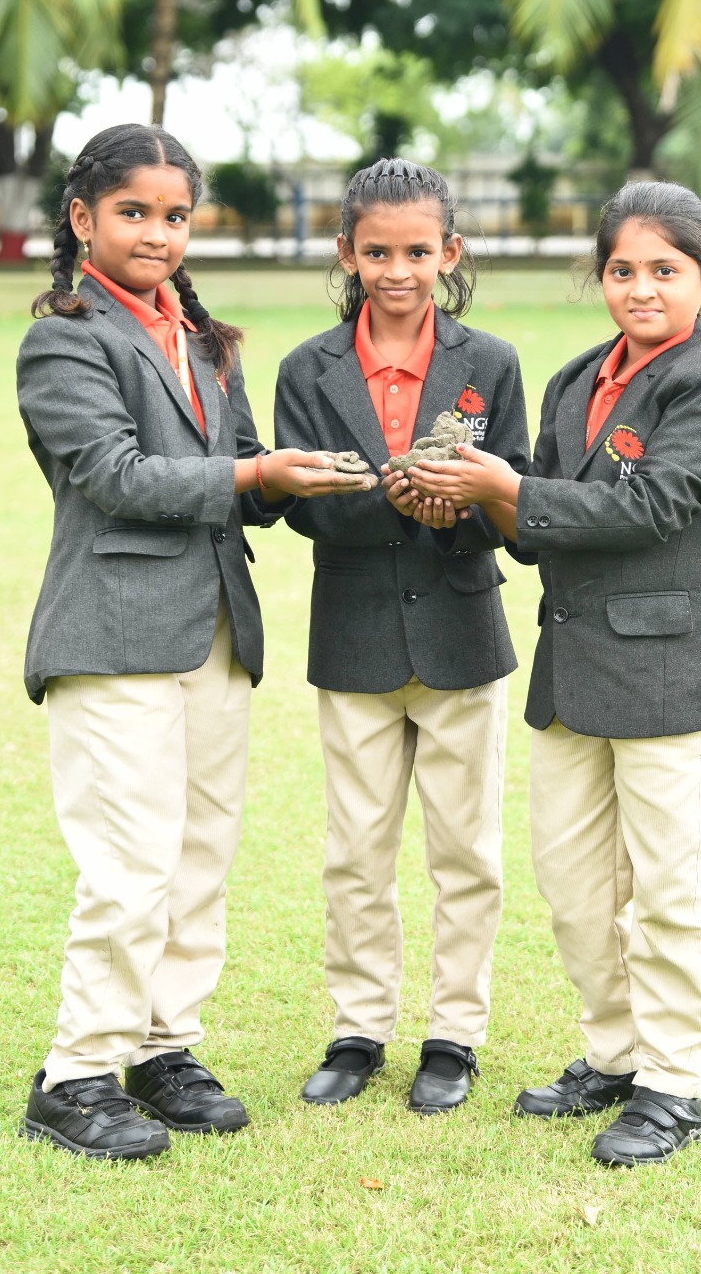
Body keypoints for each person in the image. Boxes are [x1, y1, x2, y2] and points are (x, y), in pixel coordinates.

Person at [16, 123, 370, 1160]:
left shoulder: (207, 341)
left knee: (198, 855)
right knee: (129, 863)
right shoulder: (65, 340)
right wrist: (256, 475)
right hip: (112, 631)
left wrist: (311, 476)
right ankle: (77, 1072)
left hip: (215, 628)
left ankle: (163, 1048)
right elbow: (115, 477)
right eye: (133, 212)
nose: (157, 234)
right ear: (82, 219)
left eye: (175, 216)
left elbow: (243, 473)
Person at [407, 181, 701, 1165]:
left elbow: (652, 509)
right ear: (598, 275)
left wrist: (509, 486)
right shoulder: (575, 381)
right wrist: (464, 496)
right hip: (572, 673)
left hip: (674, 676)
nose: (641, 288)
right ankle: (613, 1054)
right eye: (622, 269)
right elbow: (535, 530)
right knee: (572, 886)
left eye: (665, 270)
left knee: (668, 891)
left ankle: (672, 1082)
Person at [274, 158, 530, 1114]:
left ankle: (454, 1035)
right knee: (356, 850)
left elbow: (514, 491)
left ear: (448, 253)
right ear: (347, 253)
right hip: (353, 640)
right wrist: (392, 496)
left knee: (467, 852)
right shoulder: (307, 368)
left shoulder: (490, 363)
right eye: (377, 252)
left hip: (462, 632)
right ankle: (359, 1028)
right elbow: (301, 503)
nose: (397, 270)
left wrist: (455, 509)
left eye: (417, 252)